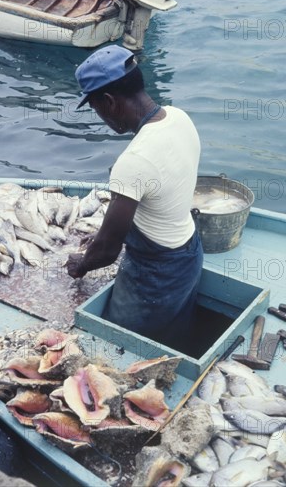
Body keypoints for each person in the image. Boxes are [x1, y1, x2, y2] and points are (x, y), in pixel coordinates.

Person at [66, 44, 203, 349]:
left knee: (120, 347)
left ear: (110, 102)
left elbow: (106, 252)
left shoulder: (134, 162)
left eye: (94, 106)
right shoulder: (180, 118)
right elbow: (162, 188)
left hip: (155, 276)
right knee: (170, 338)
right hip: (190, 254)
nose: (98, 114)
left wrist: (81, 264)